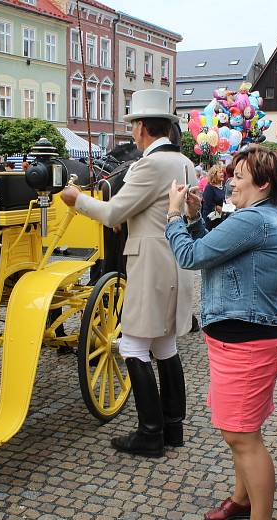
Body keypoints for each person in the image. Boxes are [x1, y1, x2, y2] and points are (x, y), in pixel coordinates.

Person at [60, 89, 194, 458]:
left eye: (133, 125)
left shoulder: (150, 165)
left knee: (134, 344)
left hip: (150, 261)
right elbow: (153, 208)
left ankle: (150, 433)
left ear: (141, 129)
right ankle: (172, 428)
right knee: (165, 344)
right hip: (172, 258)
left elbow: (111, 213)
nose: (132, 133)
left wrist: (76, 199)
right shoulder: (183, 161)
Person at [166, 145, 277, 520]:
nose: (230, 181)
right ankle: (241, 499)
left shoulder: (254, 219)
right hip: (239, 342)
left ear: (264, 183)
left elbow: (191, 257)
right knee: (240, 431)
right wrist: (192, 218)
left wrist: (172, 215)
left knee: (242, 436)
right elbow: (215, 252)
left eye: (239, 176)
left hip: (247, 345)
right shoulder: (256, 218)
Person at [201, 165, 226, 230]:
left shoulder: (221, 186)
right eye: (220, 172)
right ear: (214, 174)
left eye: (222, 172)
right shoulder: (209, 187)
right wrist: (217, 207)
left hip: (219, 217)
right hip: (210, 218)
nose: (222, 174)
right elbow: (208, 203)